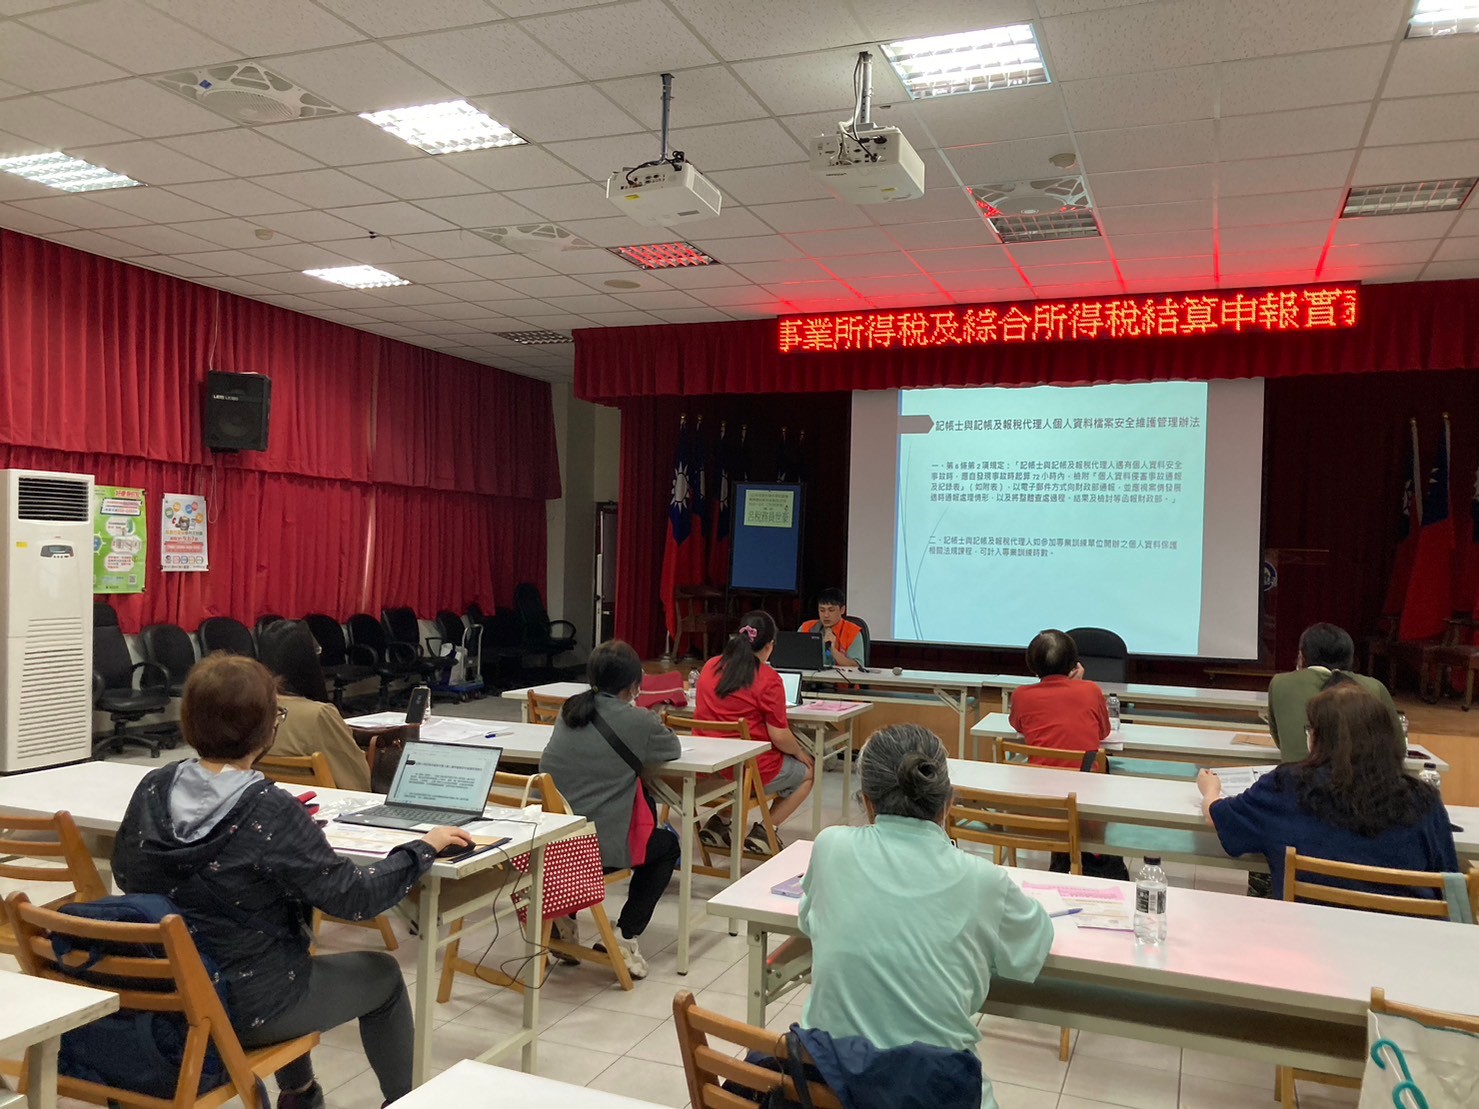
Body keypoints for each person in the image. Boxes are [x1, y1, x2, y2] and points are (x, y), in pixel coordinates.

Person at [112, 653, 471, 1109]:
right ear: (268, 730)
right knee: (381, 976)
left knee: (276, 947)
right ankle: (404, 1102)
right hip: (243, 1006)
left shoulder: (152, 786)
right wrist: (422, 848)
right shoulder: (270, 809)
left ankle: (301, 1094)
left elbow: (126, 873)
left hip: (165, 993)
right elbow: (356, 898)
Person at [799, 724, 1054, 1109]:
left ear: (867, 802)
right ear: (948, 803)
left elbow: (809, 921)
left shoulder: (830, 846)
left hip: (831, 1085)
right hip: (934, 1092)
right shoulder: (984, 880)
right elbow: (1030, 950)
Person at [1200, 680, 1458, 898]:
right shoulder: (1424, 801)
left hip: (1307, 937)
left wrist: (1211, 791)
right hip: (1404, 939)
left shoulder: (1286, 787)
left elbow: (1220, 817)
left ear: (1317, 737)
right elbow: (1449, 883)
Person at [540, 640, 683, 980]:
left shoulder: (570, 710)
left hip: (552, 842)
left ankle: (565, 919)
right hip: (596, 849)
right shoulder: (639, 720)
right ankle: (625, 936)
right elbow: (672, 748)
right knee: (667, 847)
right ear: (634, 685)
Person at [695, 611, 815, 855]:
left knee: (740, 769)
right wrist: (799, 752)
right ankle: (765, 832)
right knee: (808, 773)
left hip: (707, 765)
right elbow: (779, 735)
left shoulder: (710, 666)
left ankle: (719, 824)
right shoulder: (768, 679)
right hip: (748, 769)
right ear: (770, 646)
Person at [257, 619, 371, 792]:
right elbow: (357, 780)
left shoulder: (246, 711)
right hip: (324, 804)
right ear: (308, 660)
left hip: (269, 801)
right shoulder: (319, 715)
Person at [1268, 622, 1403, 762]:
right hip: (1362, 775)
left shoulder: (1280, 683)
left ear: (1301, 657)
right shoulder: (1374, 687)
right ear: (1351, 659)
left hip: (1295, 774)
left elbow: (1282, 742)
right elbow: (1398, 747)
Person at [1008, 629, 1110, 768]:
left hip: (1039, 776)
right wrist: (1076, 685)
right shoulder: (1091, 690)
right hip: (1085, 777)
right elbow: (1103, 733)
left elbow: (1018, 726)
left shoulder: (1021, 695)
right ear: (1074, 663)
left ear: (1031, 663)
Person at [799, 587, 865, 669]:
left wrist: (833, 650)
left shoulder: (852, 632)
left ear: (842, 610)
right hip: (810, 676)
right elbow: (795, 656)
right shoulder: (806, 628)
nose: (826, 615)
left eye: (831, 610)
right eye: (822, 610)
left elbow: (857, 667)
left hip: (841, 677)